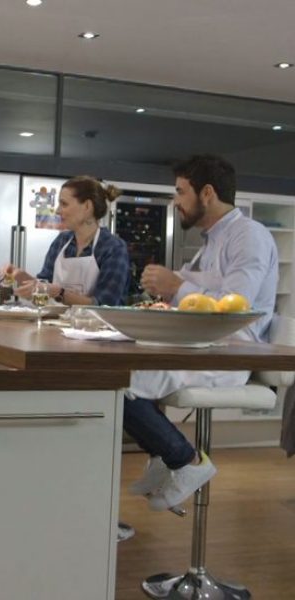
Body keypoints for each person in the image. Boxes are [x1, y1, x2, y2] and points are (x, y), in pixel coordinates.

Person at [125, 154, 279, 511]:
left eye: (181, 192)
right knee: (121, 371)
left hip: (230, 353)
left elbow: (236, 305)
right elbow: (199, 297)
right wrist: (167, 289)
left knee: (122, 380)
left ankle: (185, 460)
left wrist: (176, 286)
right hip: (203, 346)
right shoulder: (212, 241)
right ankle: (163, 456)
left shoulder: (249, 236)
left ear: (207, 193)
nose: (175, 201)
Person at [7, 175, 130, 306]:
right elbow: (43, 287)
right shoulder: (61, 241)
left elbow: (105, 306)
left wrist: (58, 293)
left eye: (64, 204)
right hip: (55, 319)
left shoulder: (113, 248)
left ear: (87, 207)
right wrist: (19, 275)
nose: (58, 211)